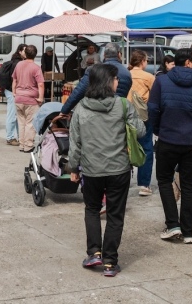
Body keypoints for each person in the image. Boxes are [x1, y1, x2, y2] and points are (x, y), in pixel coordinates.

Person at [69, 63, 145, 278]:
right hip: (119, 169)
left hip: (91, 170)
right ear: (108, 81)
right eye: (115, 78)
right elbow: (140, 131)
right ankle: (111, 262)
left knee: (92, 209)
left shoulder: (81, 107)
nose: (118, 81)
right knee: (115, 215)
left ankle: (94, 253)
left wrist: (73, 167)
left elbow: (75, 141)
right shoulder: (123, 105)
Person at [147, 48, 192, 244]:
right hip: (191, 141)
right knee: (189, 184)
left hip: (168, 138)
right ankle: (188, 231)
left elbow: (153, 108)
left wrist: (158, 129)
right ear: (188, 62)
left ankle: (173, 225)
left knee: (164, 180)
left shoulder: (162, 81)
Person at [61, 43, 132, 116]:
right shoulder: (126, 73)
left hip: (97, 115)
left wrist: (64, 111)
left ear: (104, 55)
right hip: (118, 114)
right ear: (119, 54)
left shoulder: (94, 70)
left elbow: (78, 92)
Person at [128, 50, 155, 197]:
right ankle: (144, 184)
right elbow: (155, 96)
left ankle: (123, 180)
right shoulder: (149, 77)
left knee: (126, 146)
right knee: (146, 148)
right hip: (144, 116)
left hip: (126, 114)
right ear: (143, 61)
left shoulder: (125, 75)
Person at [13, 45, 45, 153]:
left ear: (25, 53)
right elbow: (40, 84)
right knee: (30, 123)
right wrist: (40, 98)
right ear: (35, 54)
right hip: (31, 99)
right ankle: (28, 145)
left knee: (21, 122)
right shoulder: (36, 68)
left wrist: (14, 92)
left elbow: (14, 80)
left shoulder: (19, 65)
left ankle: (21, 144)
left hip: (19, 97)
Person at [0, 44, 25, 146]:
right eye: (25, 51)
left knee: (16, 115)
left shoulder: (16, 62)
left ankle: (18, 136)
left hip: (10, 90)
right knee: (13, 115)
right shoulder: (18, 64)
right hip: (13, 91)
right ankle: (10, 137)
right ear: (20, 51)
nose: (26, 53)